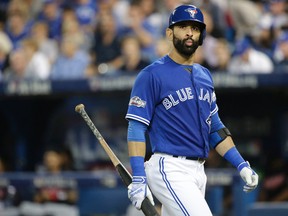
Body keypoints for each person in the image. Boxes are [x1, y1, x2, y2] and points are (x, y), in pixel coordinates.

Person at [125, 4, 259, 215]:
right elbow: (136, 127)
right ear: (170, 33)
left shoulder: (205, 75)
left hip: (198, 171)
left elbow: (215, 128)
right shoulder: (152, 74)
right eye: (183, 27)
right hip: (169, 167)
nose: (190, 32)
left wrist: (241, 164)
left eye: (195, 28)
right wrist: (139, 176)